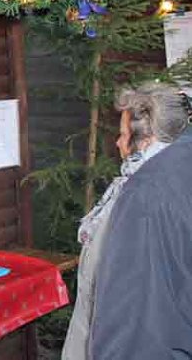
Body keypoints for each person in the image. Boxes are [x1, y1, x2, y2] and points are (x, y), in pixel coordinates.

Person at [83, 82, 191, 359]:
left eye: (122, 135)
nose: (118, 143)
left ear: (147, 139)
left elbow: (133, 310)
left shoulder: (145, 194)